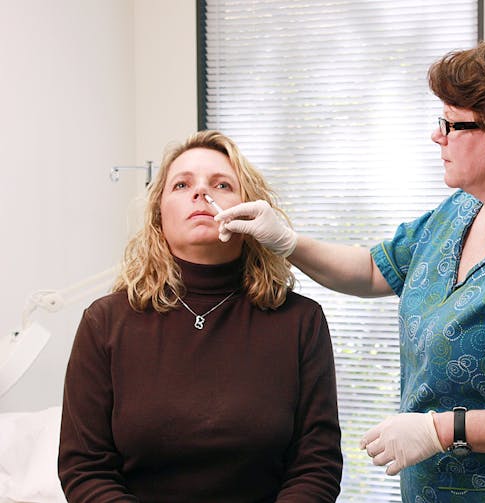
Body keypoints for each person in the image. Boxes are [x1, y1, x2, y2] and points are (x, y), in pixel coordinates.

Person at [214, 39, 485, 502]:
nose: (438, 136)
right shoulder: (463, 212)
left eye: (453, 124)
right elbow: (373, 270)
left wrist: (438, 430)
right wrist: (288, 242)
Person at [58, 130, 343, 502]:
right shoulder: (105, 323)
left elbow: (316, 467)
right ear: (158, 216)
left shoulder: (300, 321)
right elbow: (85, 468)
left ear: (252, 211)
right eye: (181, 184)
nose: (200, 193)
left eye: (221, 184)